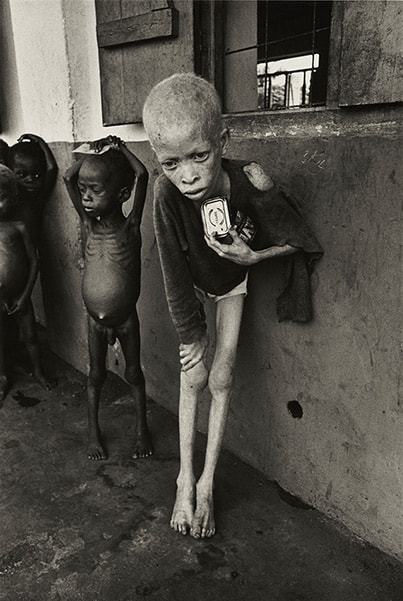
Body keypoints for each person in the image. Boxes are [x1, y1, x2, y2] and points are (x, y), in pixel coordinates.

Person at [142, 73, 323, 539]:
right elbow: (171, 269)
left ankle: (207, 485)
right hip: (193, 285)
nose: (188, 175)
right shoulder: (166, 194)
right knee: (195, 374)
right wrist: (190, 335)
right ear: (157, 160)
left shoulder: (249, 180)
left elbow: (299, 236)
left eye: (199, 156)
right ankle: (184, 480)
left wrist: (254, 256)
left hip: (234, 282)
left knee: (222, 376)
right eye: (171, 163)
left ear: (222, 140)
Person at [64, 135, 153, 461]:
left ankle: (142, 431)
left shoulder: (131, 228)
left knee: (133, 374)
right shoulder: (88, 226)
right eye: (84, 191)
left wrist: (119, 149)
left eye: (95, 191)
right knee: (96, 375)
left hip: (126, 319)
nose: (86, 197)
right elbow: (67, 178)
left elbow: (142, 175)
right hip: (95, 322)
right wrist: (93, 151)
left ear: (122, 195)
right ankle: (93, 430)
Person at [0, 165, 50, 400]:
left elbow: (34, 261)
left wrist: (25, 295)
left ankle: (39, 371)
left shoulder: (19, 227)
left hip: (21, 294)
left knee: (30, 336)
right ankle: (2, 377)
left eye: (1, 198)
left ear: (13, 197)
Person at [9, 133, 58, 246]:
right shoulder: (7, 201)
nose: (30, 180)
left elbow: (52, 168)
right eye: (22, 175)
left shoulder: (37, 200)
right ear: (10, 173)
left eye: (36, 175)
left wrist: (39, 141)